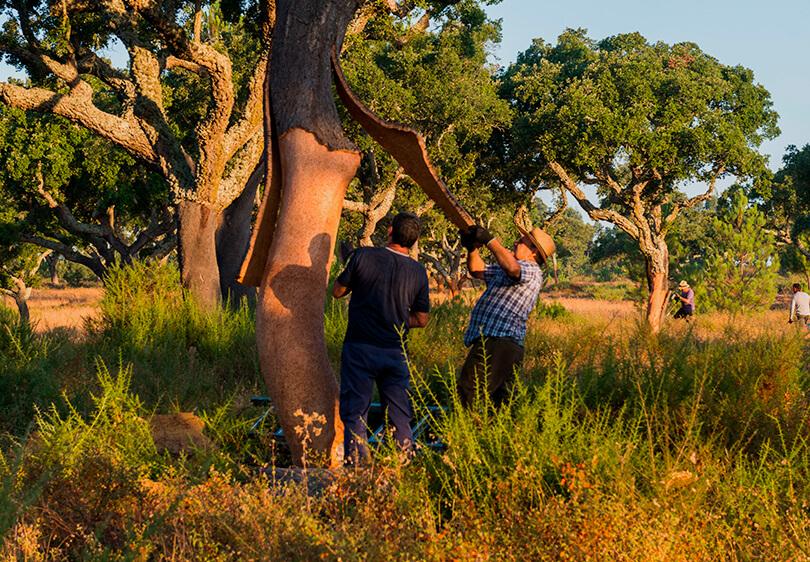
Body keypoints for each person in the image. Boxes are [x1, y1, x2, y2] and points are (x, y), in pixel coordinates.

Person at [332, 212, 430, 465]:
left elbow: (337, 291)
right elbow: (421, 319)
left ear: (389, 231)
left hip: (360, 348)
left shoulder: (363, 256)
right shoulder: (419, 272)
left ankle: (359, 469)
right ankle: (403, 464)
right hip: (395, 352)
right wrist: (396, 318)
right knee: (399, 414)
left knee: (355, 412)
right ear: (414, 241)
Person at [457, 223, 555, 408]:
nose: (516, 242)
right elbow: (477, 270)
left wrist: (489, 240)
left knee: (469, 392)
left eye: (522, 241)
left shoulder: (531, 271)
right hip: (498, 344)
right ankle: (488, 434)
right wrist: (472, 249)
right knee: (497, 403)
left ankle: (462, 433)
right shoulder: (509, 268)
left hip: (498, 343)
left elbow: (513, 269)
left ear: (533, 251)